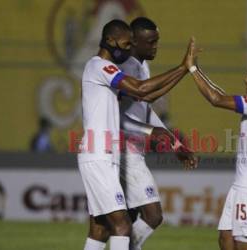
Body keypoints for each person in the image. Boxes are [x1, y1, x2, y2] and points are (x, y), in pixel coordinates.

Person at [78, 19, 195, 250]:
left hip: (108, 154)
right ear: (110, 41)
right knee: (122, 225)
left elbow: (145, 98)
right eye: (125, 43)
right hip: (99, 153)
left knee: (100, 228)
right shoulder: (99, 66)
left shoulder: (110, 68)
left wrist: (171, 139)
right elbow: (141, 90)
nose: (128, 48)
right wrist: (183, 68)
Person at [185, 37, 247, 250]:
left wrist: (191, 69)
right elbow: (219, 94)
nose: (245, 79)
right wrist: (197, 69)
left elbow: (216, 99)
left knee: (243, 245)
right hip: (242, 183)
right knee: (226, 240)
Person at [118, 17, 196, 250]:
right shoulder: (126, 67)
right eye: (150, 42)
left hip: (131, 150)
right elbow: (119, 118)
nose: (155, 46)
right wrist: (151, 131)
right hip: (123, 150)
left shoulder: (141, 65)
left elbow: (144, 109)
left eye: (157, 41)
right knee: (153, 216)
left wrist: (172, 141)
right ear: (133, 42)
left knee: (126, 219)